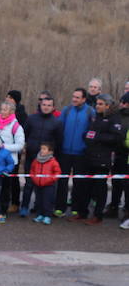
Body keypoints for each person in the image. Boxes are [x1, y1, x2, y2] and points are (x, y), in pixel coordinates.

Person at [68, 94, 123, 225]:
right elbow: (88, 133)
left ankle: (98, 216)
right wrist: (86, 136)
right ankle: (82, 213)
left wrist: (97, 137)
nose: (97, 106)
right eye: (97, 104)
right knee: (84, 187)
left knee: (100, 188)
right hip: (89, 157)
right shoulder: (95, 117)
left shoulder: (114, 119)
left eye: (100, 104)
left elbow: (116, 138)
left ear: (107, 106)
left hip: (102, 159)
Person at [20, 96, 63, 217]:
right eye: (44, 105)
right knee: (29, 184)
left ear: (53, 107)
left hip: (47, 160)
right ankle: (24, 207)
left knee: (45, 186)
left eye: (49, 105)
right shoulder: (31, 119)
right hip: (31, 156)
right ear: (40, 105)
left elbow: (59, 142)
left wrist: (54, 157)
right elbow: (24, 134)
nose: (46, 107)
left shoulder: (57, 122)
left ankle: (41, 209)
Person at [55, 88, 95, 217]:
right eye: (73, 96)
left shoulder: (90, 111)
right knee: (62, 181)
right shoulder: (66, 110)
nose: (74, 99)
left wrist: (87, 147)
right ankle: (60, 207)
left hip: (81, 153)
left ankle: (75, 208)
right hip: (65, 152)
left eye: (77, 97)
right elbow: (58, 128)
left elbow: (93, 132)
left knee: (79, 182)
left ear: (84, 99)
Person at [0, 102, 25, 214]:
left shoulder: (16, 127)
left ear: (12, 112)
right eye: (1, 109)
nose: (2, 112)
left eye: (5, 110)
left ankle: (2, 210)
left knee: (5, 187)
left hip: (9, 162)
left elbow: (20, 145)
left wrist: (3, 147)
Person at [105, 92, 129, 218]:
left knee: (127, 185)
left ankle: (127, 210)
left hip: (127, 156)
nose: (122, 105)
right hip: (116, 154)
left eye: (125, 103)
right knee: (116, 183)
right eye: (121, 102)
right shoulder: (115, 116)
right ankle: (113, 207)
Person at [28, 142, 60, 225]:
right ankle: (40, 215)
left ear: (50, 152)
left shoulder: (53, 162)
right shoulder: (36, 160)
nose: (42, 150)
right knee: (39, 201)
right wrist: (34, 178)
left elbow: (57, 172)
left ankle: (47, 216)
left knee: (47, 201)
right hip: (37, 184)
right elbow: (32, 170)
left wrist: (51, 179)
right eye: (41, 148)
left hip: (49, 185)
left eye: (44, 149)